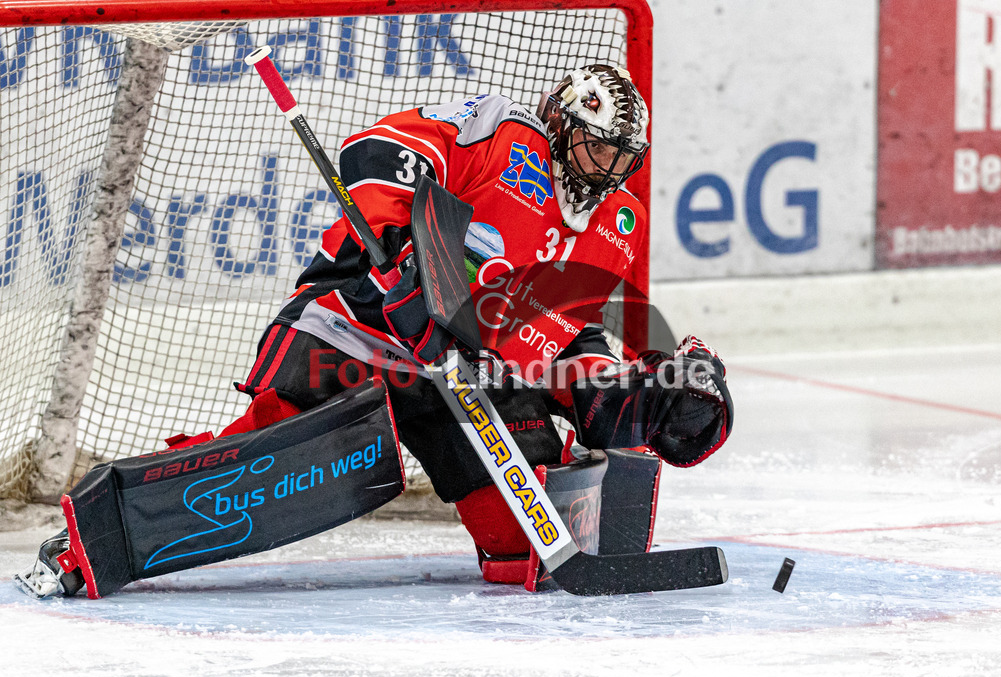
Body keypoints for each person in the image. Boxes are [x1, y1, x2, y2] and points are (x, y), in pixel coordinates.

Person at [16, 64, 732, 598]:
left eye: (620, 158)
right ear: (560, 123)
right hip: (364, 323)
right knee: (265, 462)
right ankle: (94, 539)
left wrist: (648, 382)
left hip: (465, 377)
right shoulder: (503, 131)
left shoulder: (620, 222)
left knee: (528, 545)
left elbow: (579, 327)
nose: (605, 170)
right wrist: (408, 258)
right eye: (594, 148)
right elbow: (378, 152)